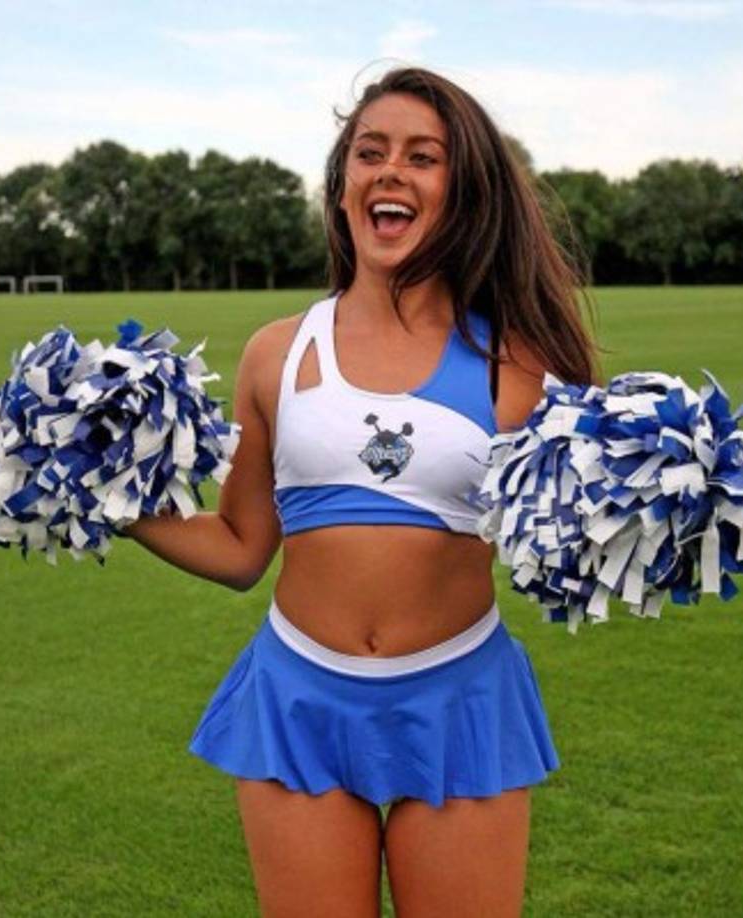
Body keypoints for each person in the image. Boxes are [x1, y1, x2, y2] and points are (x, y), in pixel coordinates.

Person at [128, 65, 601, 916]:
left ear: (463, 191)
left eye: (423, 157)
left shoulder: (522, 366)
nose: (391, 171)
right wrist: (110, 501)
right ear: (342, 185)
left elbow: (576, 541)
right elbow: (241, 549)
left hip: (459, 697)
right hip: (299, 697)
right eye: (370, 152)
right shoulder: (278, 353)